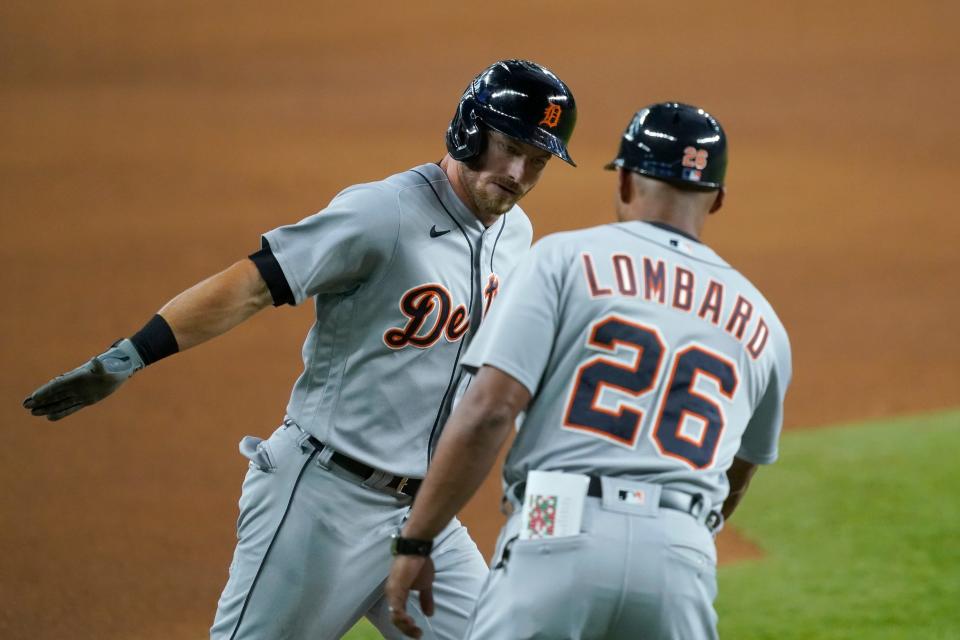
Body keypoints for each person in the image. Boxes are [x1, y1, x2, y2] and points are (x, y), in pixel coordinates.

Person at [22, 59, 577, 640]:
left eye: (536, 161)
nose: (518, 173)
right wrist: (129, 356)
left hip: (423, 517)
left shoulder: (514, 235)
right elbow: (253, 282)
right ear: (469, 130)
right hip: (322, 504)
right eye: (509, 147)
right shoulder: (382, 213)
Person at [385, 102, 792, 640]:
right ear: (717, 200)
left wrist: (417, 540)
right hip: (681, 552)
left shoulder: (564, 260)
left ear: (624, 180)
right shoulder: (764, 323)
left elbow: (489, 411)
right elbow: (737, 475)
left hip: (559, 527)